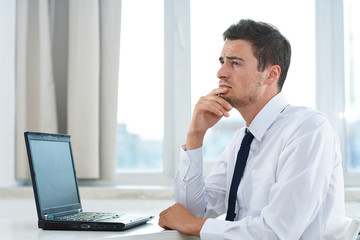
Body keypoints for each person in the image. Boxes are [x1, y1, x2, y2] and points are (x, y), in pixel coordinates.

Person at [158, 19, 351, 239]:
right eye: (222, 61)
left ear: (271, 74)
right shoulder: (242, 139)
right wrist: (196, 135)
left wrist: (196, 225)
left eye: (235, 63)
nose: (220, 72)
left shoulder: (308, 129)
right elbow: (192, 211)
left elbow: (278, 232)